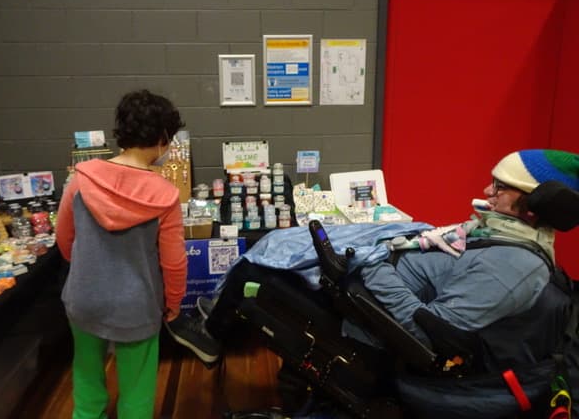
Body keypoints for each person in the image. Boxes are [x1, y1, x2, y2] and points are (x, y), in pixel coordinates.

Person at [168, 149, 579, 370]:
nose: (487, 192)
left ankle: (213, 338)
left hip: (368, 320)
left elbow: (427, 334)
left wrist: (372, 263)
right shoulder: (495, 235)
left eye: (500, 188)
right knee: (282, 244)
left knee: (258, 272)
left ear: (532, 206)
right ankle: (219, 327)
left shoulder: (514, 269)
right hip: (368, 288)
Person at [56, 89, 187, 419]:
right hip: (137, 305)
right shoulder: (166, 196)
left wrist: (89, 269)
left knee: (86, 383)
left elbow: (64, 239)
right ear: (161, 139)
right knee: (137, 391)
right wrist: (173, 301)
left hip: (84, 297)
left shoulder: (80, 180)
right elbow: (173, 261)